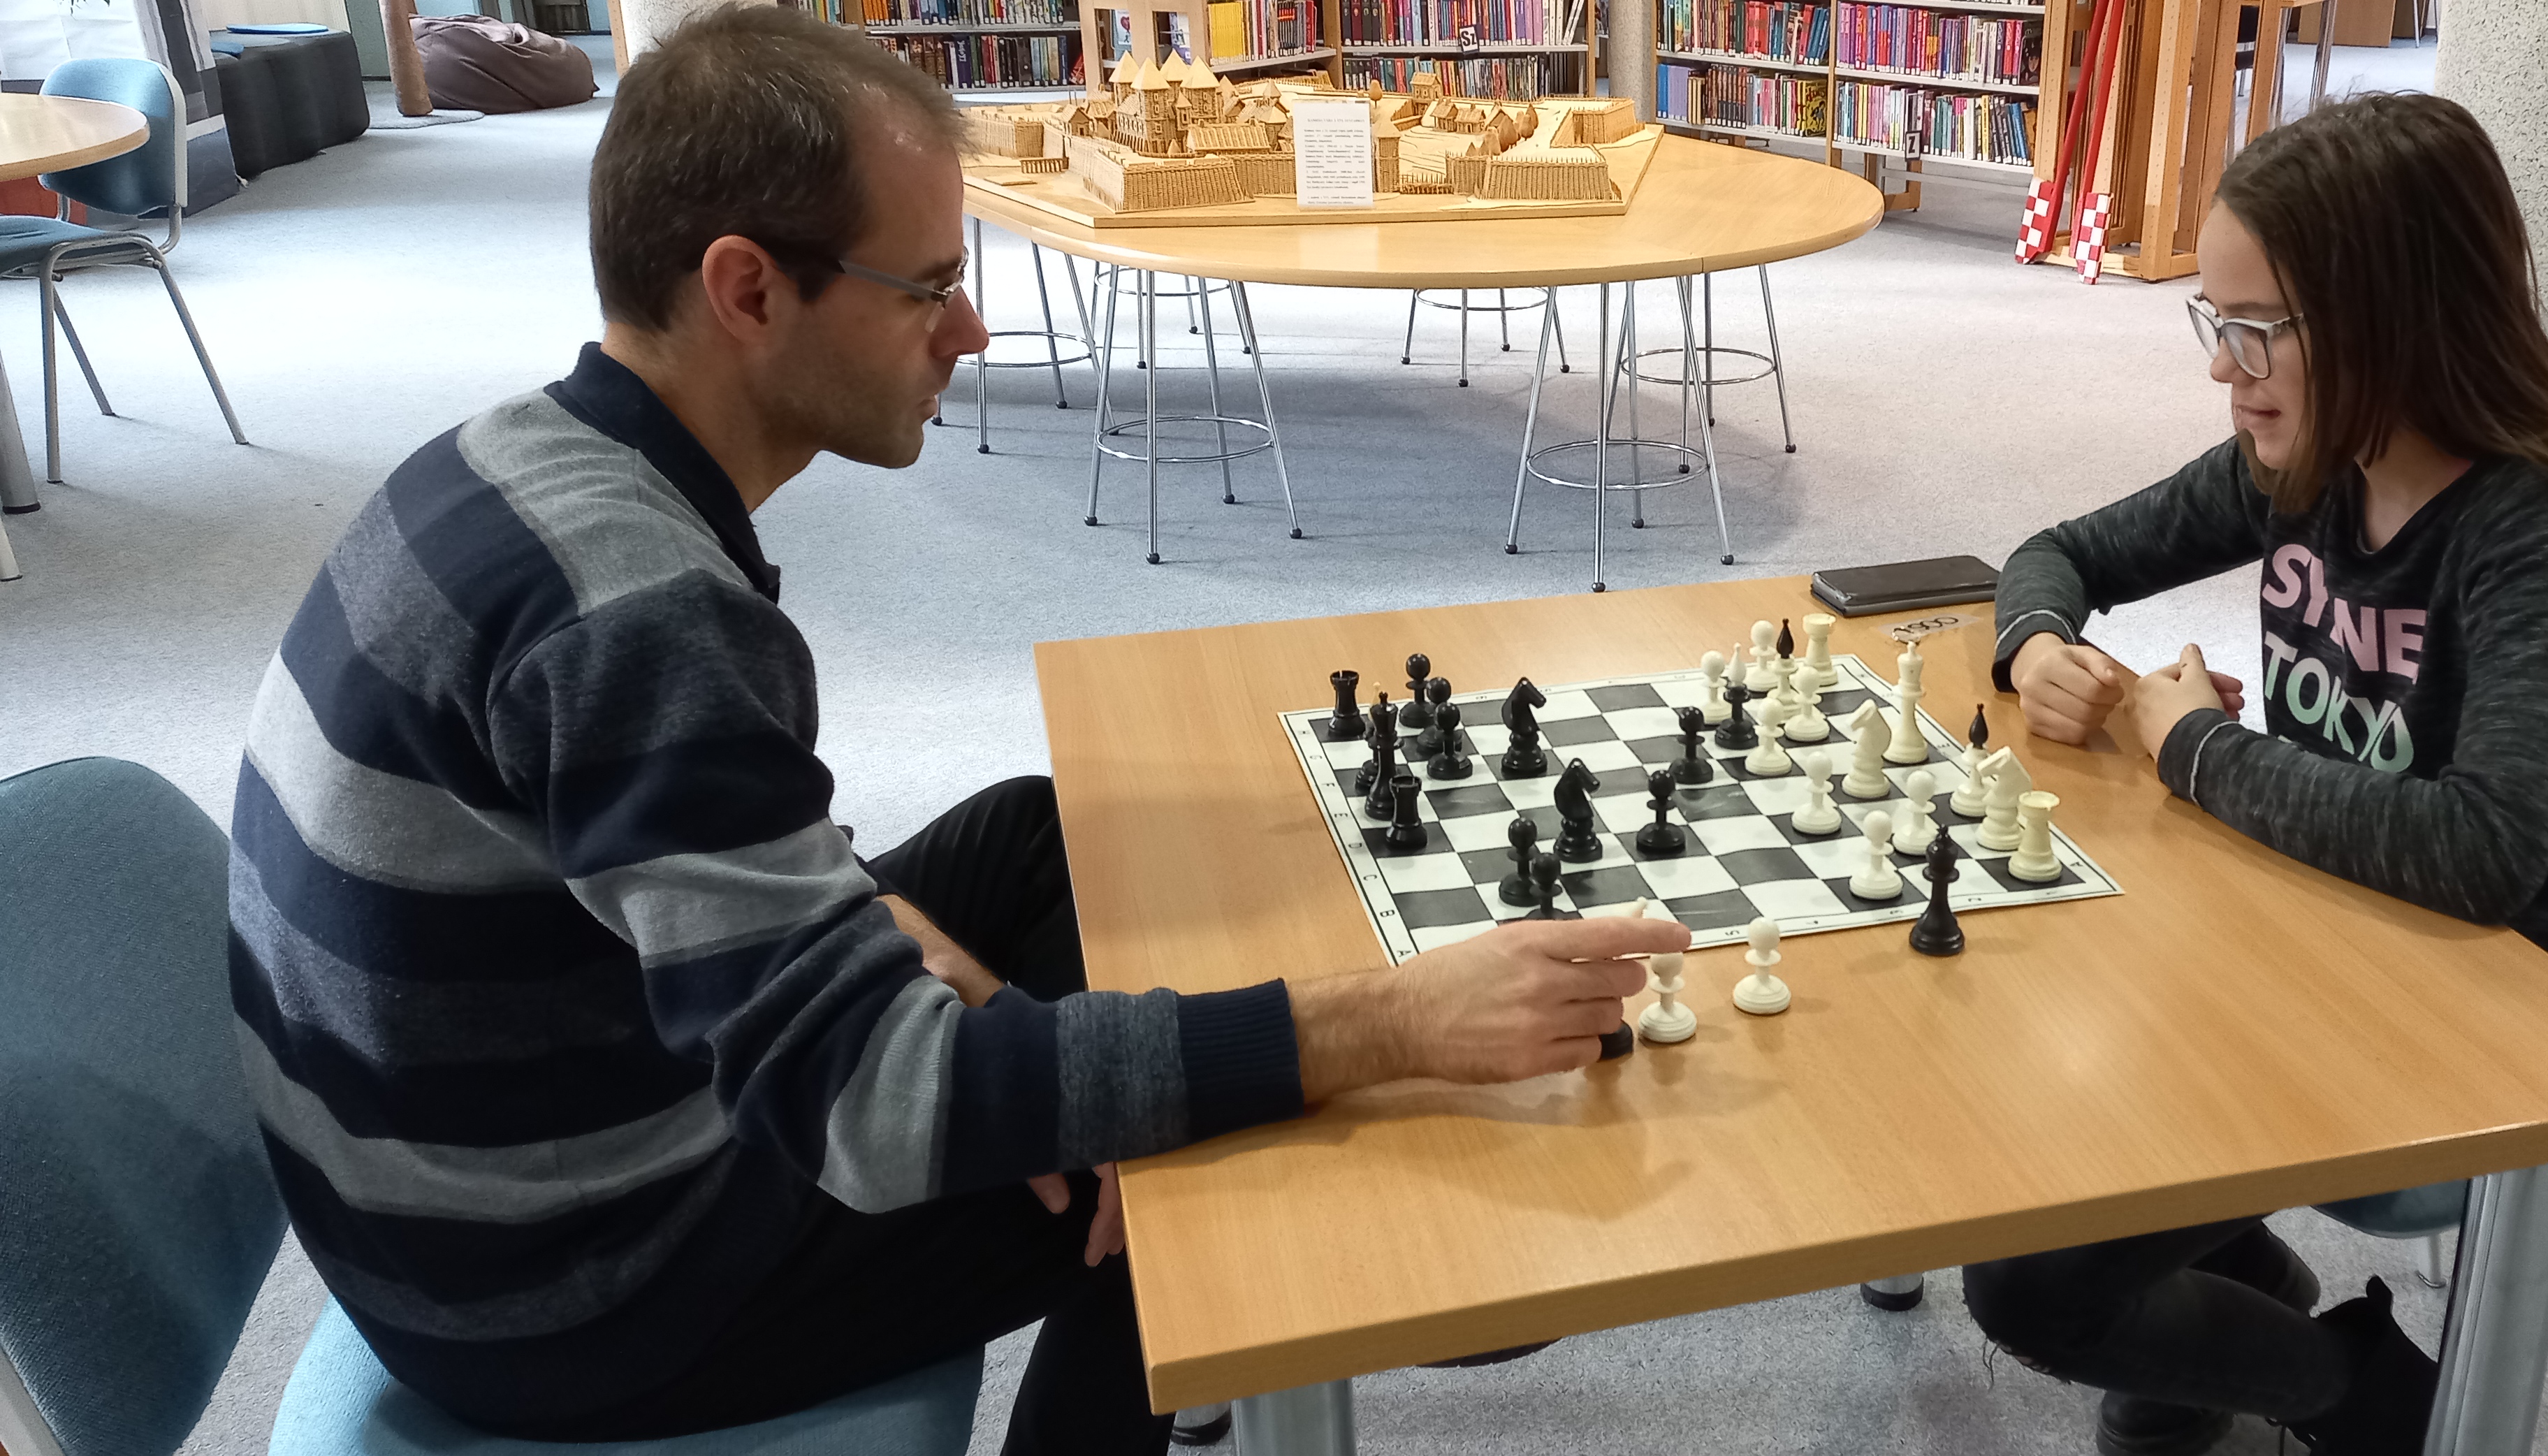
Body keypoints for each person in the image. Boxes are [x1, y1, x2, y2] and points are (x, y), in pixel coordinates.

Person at [221, 9, 1685, 1453]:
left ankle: (1119, 1150)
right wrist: (1387, 1021)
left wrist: (996, 1027)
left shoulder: (522, 452)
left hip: (472, 1167)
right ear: (747, 291)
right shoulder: (641, 615)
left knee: (1037, 841)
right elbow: (869, 1105)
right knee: (1225, 1145)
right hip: (574, 1285)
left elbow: (720, 861)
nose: (970, 333)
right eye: (924, 289)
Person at [1970, 93, 2548, 1456]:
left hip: (2482, 997)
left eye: (2259, 329)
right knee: (2007, 1048)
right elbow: (2058, 553)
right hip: (2304, 921)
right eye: (2217, 321)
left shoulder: (2546, 529)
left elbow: (2481, 856)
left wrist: (2191, 747)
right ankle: (2231, 1308)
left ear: (2394, 320)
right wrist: (2038, 647)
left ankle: (2355, 1393)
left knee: (2032, 1279)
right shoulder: (2305, 457)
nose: (2222, 366)